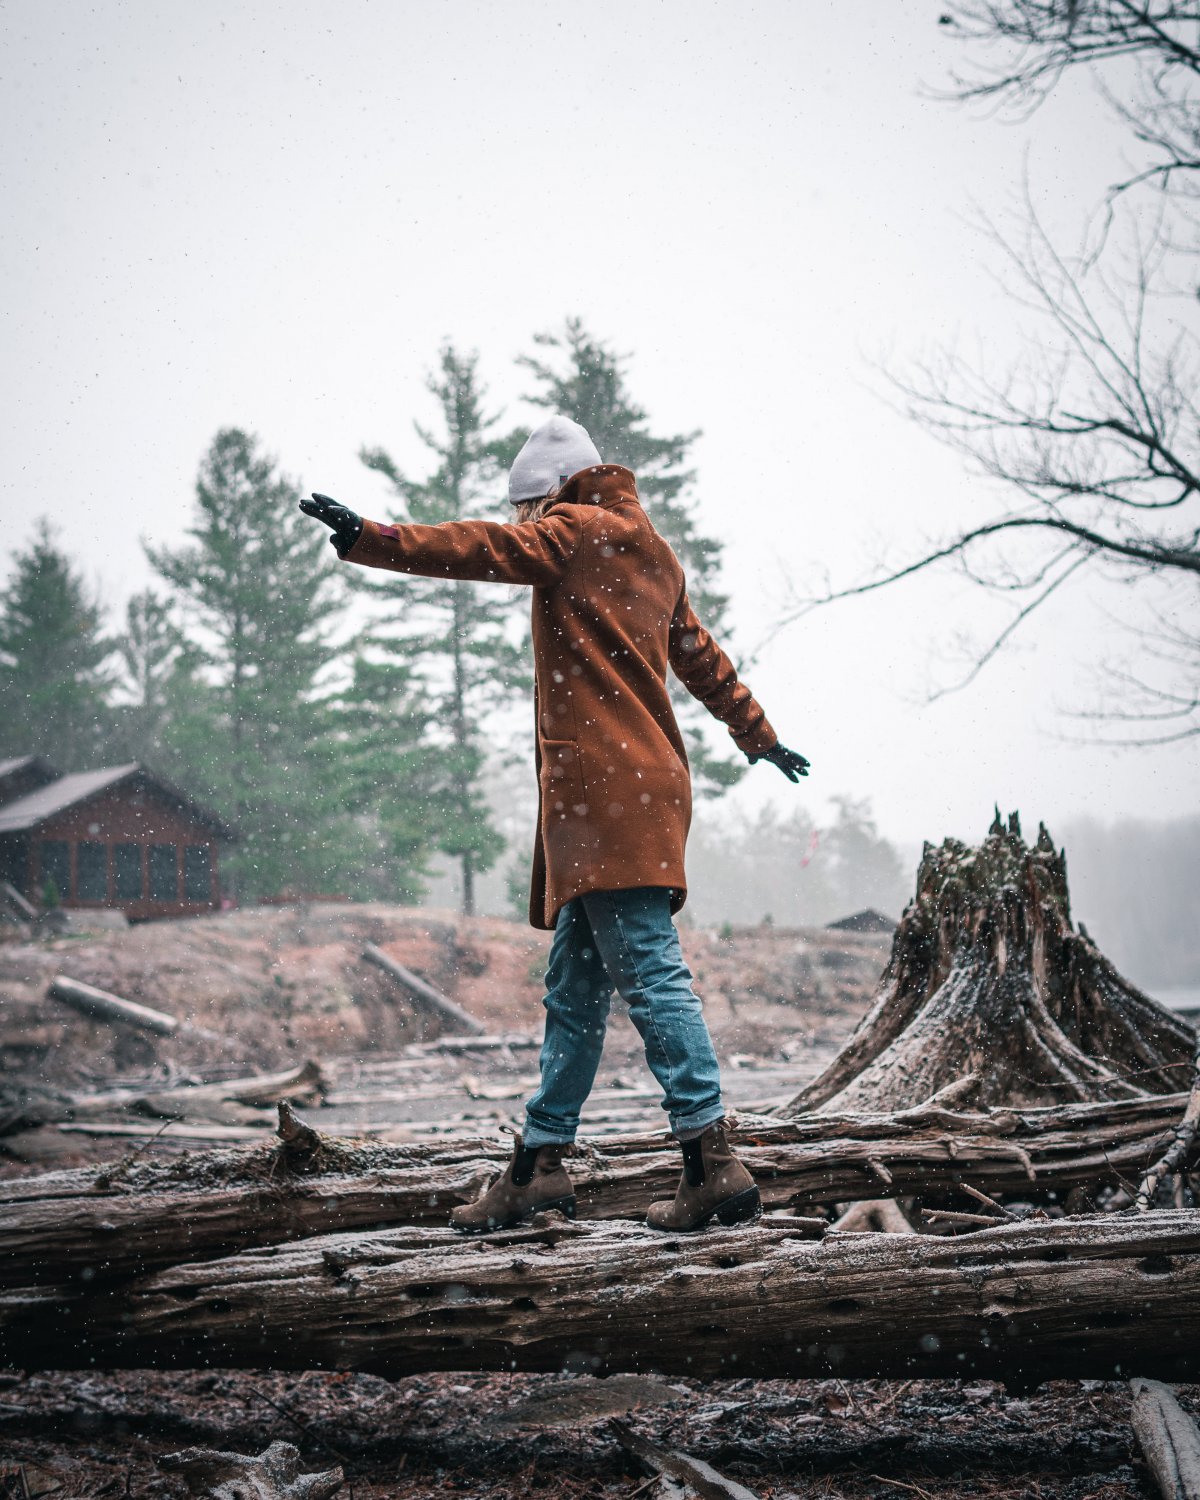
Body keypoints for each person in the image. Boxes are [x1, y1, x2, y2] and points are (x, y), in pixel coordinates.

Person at [300, 415, 809, 1234]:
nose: (522, 526)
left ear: (546, 498)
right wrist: (761, 736)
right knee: (575, 987)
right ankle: (539, 1167)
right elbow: (705, 659)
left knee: (649, 971)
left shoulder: (569, 533)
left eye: (524, 511)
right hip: (646, 790)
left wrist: (373, 536)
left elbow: (475, 549)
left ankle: (712, 1162)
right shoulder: (653, 551)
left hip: (601, 796)